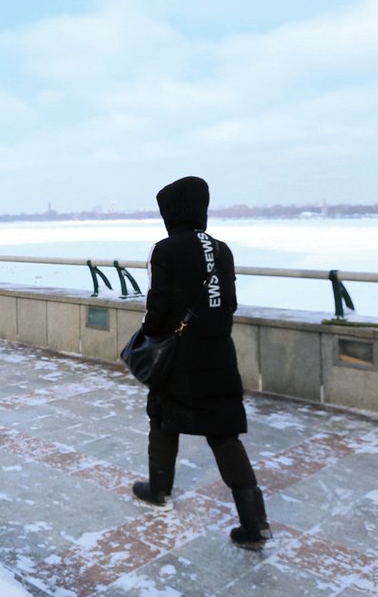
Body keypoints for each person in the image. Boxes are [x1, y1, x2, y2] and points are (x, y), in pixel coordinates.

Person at [131, 176, 271, 549]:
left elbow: (157, 308)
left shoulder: (166, 249)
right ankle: (255, 525)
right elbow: (229, 305)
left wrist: (148, 334)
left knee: (162, 421)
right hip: (218, 355)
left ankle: (159, 490)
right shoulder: (223, 250)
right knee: (224, 435)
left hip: (179, 360)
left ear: (171, 212)